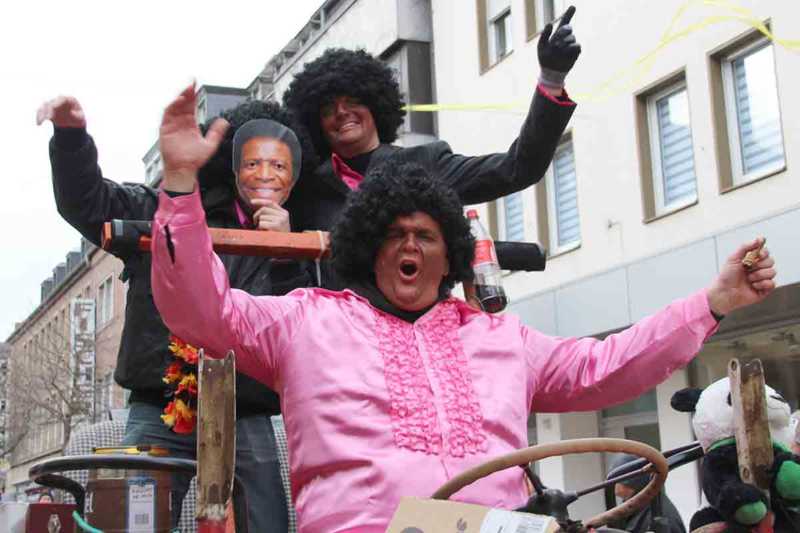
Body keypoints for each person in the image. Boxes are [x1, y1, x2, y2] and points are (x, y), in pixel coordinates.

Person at [149, 83, 777, 533]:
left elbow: (606, 364)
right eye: (395, 235)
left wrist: (713, 303)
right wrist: (179, 186)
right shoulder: (305, 319)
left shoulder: (502, 337)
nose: (410, 247)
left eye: (426, 236)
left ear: (450, 254)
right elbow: (202, 312)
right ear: (368, 248)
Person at [36, 94, 316, 532]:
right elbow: (87, 202)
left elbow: (298, 329)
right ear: (232, 164)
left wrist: (286, 250)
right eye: (252, 162)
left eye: (278, 165)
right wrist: (71, 138)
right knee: (133, 523)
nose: (264, 174)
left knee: (265, 524)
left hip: (247, 410)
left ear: (294, 174)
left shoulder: (299, 240)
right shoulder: (164, 208)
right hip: (161, 404)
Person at [282, 7, 582, 238]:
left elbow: (518, 169)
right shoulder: (305, 189)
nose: (341, 112)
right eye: (328, 108)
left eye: (353, 101)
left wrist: (551, 78)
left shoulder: (425, 164)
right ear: (316, 123)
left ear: (374, 105)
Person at [608, 453, 686, 533]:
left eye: (618, 481)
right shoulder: (636, 506)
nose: (615, 489)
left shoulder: (658, 514)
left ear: (634, 480)